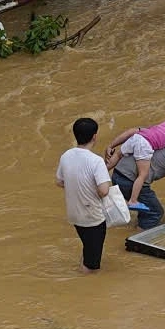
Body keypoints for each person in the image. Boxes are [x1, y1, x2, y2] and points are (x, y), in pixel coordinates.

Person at [56, 116, 115, 273]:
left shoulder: (66, 155)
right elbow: (104, 191)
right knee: (92, 267)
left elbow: (60, 181)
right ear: (94, 136)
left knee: (88, 248)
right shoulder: (96, 161)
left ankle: (82, 272)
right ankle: (84, 282)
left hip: (74, 214)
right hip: (92, 217)